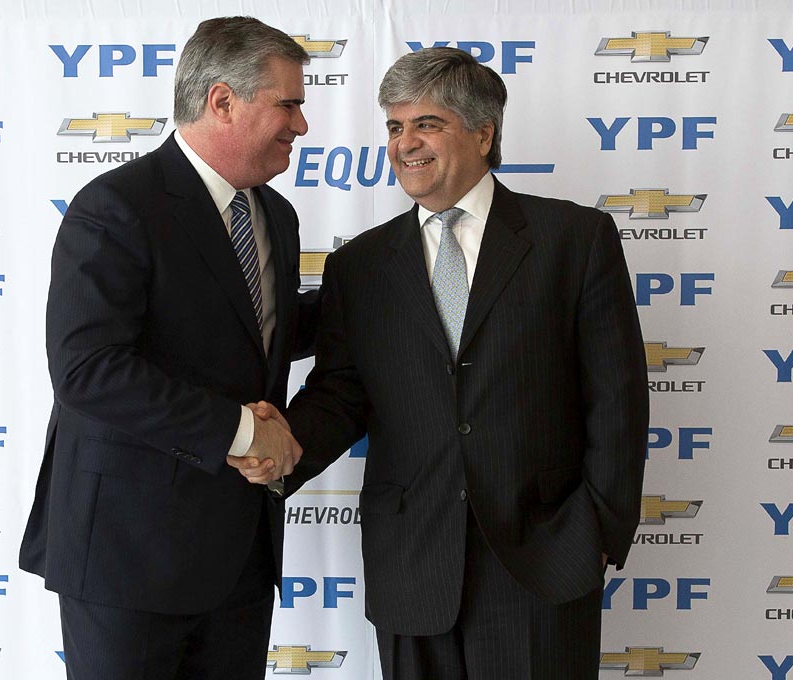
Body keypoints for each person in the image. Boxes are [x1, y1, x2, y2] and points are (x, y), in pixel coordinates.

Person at [232, 47, 649, 679]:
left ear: (484, 133)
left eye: (427, 124)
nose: (405, 144)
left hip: (542, 559)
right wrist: (280, 449)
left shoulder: (574, 239)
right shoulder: (360, 265)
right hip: (412, 561)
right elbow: (342, 393)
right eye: (395, 127)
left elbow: (617, 400)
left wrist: (597, 534)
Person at [19, 17, 316, 680]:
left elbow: (260, 333)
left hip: (240, 558)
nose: (301, 125)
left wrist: (392, 290)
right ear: (223, 101)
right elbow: (88, 370)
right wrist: (242, 431)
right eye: (289, 105)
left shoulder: (277, 215)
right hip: (127, 559)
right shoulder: (117, 206)